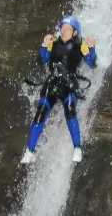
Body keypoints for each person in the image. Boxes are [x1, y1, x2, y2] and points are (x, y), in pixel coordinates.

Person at [20, 15, 97, 165]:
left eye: (67, 29)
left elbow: (92, 63)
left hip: (69, 84)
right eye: (62, 28)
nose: (63, 31)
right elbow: (43, 60)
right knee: (40, 113)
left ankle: (77, 148)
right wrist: (43, 45)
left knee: (70, 110)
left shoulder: (81, 44)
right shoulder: (53, 42)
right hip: (52, 82)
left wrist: (92, 47)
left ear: (75, 32)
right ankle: (30, 151)